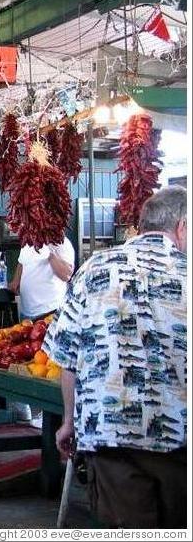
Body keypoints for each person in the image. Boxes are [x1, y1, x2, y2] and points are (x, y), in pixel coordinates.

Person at [43, 187, 187, 528]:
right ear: (182, 227)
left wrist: (68, 422)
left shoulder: (94, 268)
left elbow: (67, 357)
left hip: (110, 437)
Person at [8, 235, 75, 423]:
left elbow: (67, 274)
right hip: (28, 315)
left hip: (50, 313)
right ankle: (33, 411)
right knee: (29, 362)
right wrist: (15, 282)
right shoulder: (27, 243)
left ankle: (53, 416)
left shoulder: (61, 244)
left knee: (49, 366)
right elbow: (22, 264)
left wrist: (50, 255)